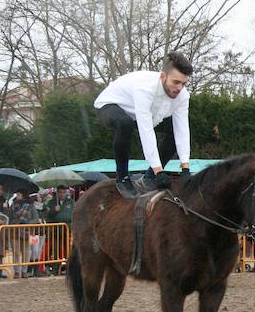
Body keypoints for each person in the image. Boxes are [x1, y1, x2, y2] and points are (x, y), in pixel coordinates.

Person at [94, 51, 194, 197]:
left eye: (183, 83)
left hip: (144, 115)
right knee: (124, 123)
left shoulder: (183, 95)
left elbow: (182, 130)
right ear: (163, 76)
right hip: (109, 105)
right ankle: (122, 178)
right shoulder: (145, 89)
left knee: (174, 130)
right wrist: (158, 171)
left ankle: (149, 178)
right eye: (175, 82)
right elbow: (146, 131)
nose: (179, 88)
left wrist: (185, 168)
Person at [45, 185, 75, 275]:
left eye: (64, 192)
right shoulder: (51, 202)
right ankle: (55, 270)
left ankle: (70, 269)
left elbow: (73, 214)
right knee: (55, 251)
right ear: (57, 193)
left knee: (69, 251)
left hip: (67, 230)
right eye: (60, 192)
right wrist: (54, 211)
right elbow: (47, 214)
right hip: (55, 231)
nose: (62, 194)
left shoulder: (71, 202)